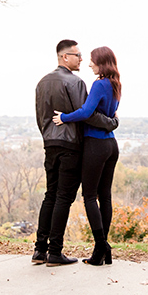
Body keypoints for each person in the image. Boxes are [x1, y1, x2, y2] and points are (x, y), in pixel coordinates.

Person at [34, 39, 118, 267]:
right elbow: (88, 114)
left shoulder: (42, 82)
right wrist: (112, 122)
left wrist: (48, 136)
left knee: (50, 195)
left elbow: (40, 117)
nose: (82, 59)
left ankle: (39, 250)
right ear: (65, 57)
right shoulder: (75, 82)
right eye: (77, 55)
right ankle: (55, 252)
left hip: (50, 144)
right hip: (71, 145)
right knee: (64, 197)